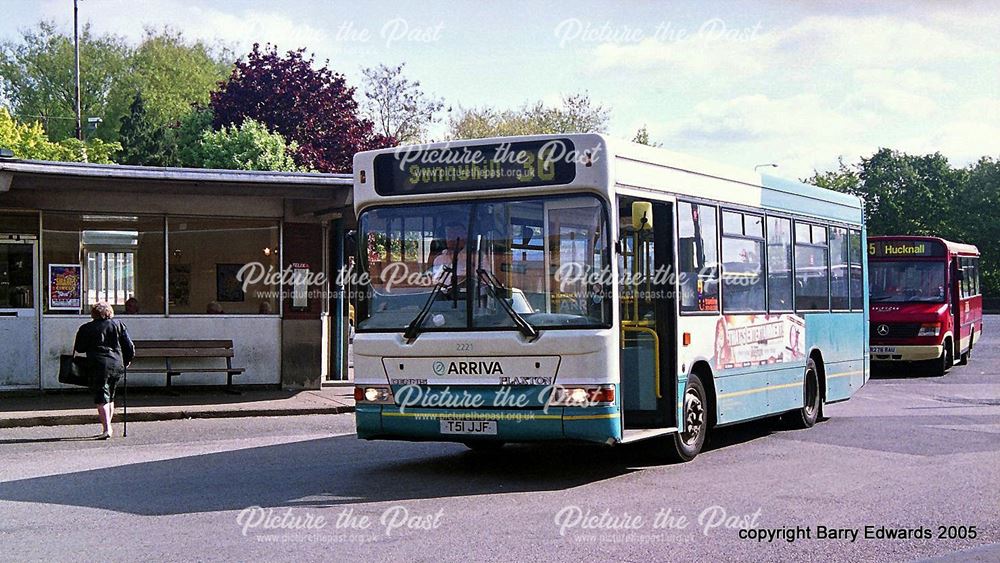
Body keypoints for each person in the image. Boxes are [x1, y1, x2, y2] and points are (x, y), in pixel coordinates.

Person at [74, 301, 135, 439]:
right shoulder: (119, 325)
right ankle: (108, 426)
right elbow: (129, 346)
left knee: (101, 397)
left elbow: (80, 348)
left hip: (98, 365)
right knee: (110, 396)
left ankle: (107, 429)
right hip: (117, 364)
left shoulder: (86, 328)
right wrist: (127, 360)